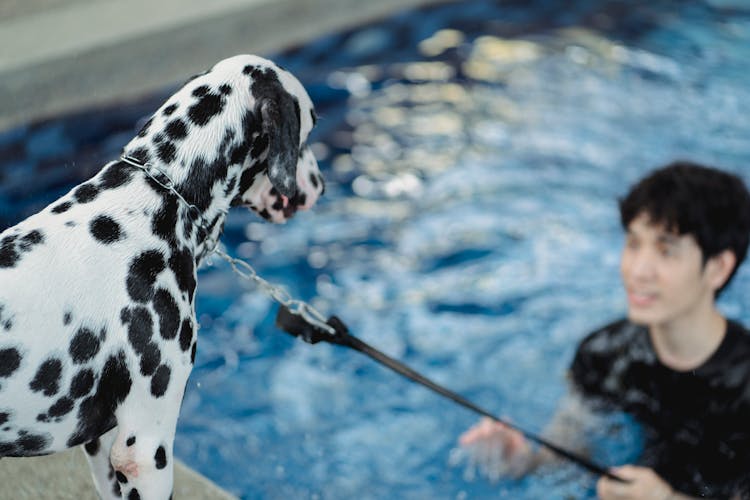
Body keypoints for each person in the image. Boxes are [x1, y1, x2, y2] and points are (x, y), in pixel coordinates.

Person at [458, 161, 750, 499]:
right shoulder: (603, 353)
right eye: (633, 243)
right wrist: (521, 462)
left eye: (666, 250)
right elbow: (568, 448)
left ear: (718, 268)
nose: (638, 271)